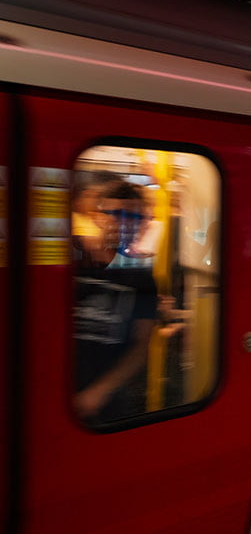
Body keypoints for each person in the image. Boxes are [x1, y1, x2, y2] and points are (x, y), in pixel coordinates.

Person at [73, 178, 159, 423]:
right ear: (97, 216)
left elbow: (141, 346)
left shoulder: (141, 278)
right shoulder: (72, 256)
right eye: (118, 214)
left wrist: (98, 393)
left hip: (106, 404)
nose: (127, 224)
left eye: (137, 218)